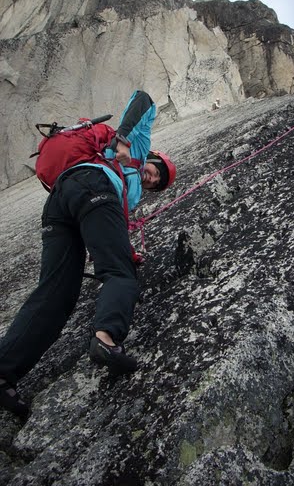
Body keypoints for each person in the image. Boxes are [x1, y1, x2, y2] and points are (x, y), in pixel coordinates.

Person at [0, 90, 176, 419]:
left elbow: (103, 228)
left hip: (61, 201)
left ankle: (3, 370)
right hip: (93, 187)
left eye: (158, 183)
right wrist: (123, 136)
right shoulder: (137, 145)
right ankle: (106, 339)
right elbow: (143, 98)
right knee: (120, 272)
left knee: (57, 293)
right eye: (157, 170)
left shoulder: (129, 189)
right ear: (151, 156)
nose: (154, 179)